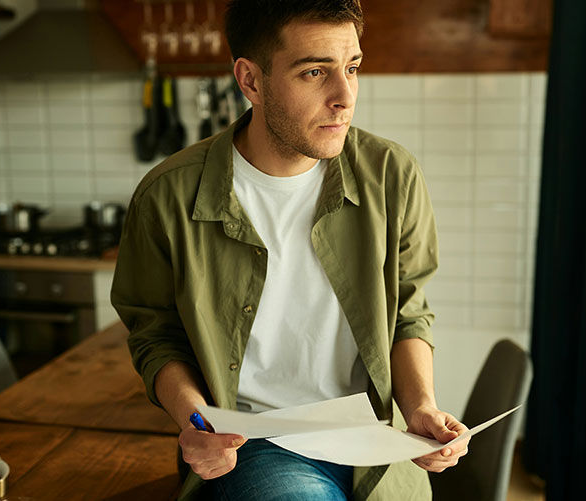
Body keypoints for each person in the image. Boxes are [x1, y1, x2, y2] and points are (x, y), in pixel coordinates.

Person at [111, 1, 470, 499]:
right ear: (251, 81)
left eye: (352, 68)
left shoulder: (392, 175)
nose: (344, 96)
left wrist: (422, 409)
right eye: (315, 72)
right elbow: (156, 336)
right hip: (258, 443)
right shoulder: (167, 196)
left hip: (379, 442)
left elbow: (408, 315)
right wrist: (198, 423)